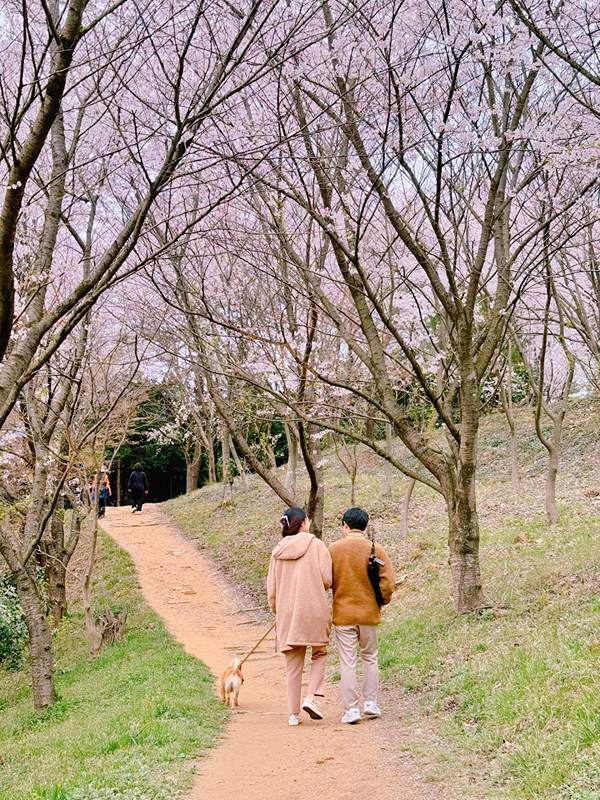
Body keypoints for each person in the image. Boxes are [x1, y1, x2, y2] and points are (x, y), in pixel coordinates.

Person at [328, 507, 396, 724]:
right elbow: (388, 583)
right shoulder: (377, 549)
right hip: (369, 614)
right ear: (365, 527)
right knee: (370, 658)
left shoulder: (333, 549)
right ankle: (370, 703)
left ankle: (351, 710)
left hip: (343, 615)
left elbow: (326, 580)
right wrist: (381, 602)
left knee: (347, 662)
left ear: (345, 526)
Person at [267, 507, 332, 726]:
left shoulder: (278, 551)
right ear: (303, 522)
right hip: (313, 608)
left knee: (292, 666)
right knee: (319, 653)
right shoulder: (317, 545)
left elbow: (272, 590)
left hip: (287, 612)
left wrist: (277, 612)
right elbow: (327, 580)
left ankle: (293, 715)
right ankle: (312, 698)